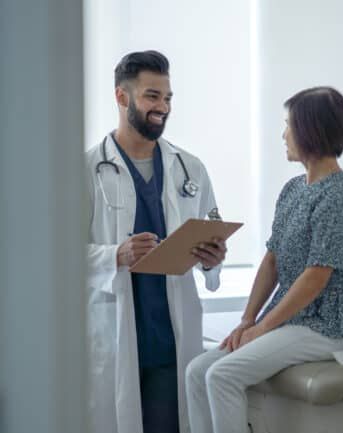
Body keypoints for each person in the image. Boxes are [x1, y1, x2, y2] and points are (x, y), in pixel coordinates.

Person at [185, 86, 343, 433]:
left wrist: (263, 327)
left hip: (330, 325)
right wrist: (247, 319)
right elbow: (271, 261)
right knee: (198, 370)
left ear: (310, 130)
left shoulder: (339, 194)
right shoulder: (293, 189)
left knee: (223, 375)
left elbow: (316, 276)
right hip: (294, 320)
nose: (283, 134)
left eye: (289, 125)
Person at [86, 50, 227, 433]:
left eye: (167, 98)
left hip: (170, 338)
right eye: (152, 96)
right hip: (115, 334)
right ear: (122, 97)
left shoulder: (190, 168)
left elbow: (208, 232)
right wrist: (115, 254)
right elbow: (58, 255)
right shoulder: (86, 170)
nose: (162, 107)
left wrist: (212, 258)